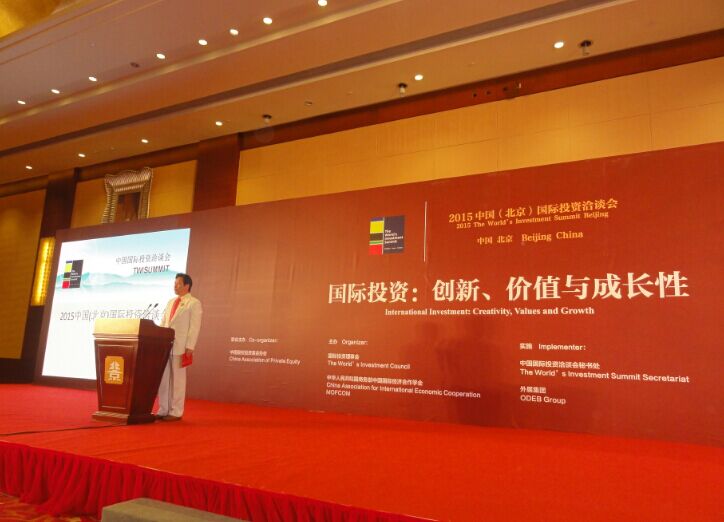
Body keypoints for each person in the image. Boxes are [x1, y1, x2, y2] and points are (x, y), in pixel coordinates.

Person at [156, 273, 202, 421]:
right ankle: (163, 409)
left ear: (187, 286)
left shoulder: (193, 303)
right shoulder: (171, 302)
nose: (175, 286)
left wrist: (190, 346)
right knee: (164, 379)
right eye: (174, 283)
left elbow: (194, 327)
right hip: (165, 346)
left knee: (178, 381)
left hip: (181, 346)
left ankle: (176, 412)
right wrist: (159, 338)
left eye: (178, 284)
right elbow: (164, 322)